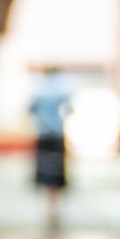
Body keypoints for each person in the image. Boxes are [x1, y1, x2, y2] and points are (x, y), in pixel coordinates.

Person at [31, 70, 72, 229]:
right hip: (56, 136)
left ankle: (50, 211)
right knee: (55, 175)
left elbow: (31, 109)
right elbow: (69, 109)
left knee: (47, 175)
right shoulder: (62, 89)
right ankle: (54, 211)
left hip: (44, 134)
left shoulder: (39, 89)